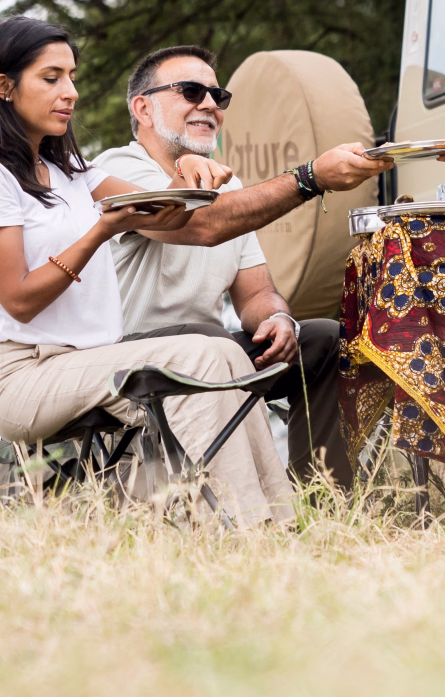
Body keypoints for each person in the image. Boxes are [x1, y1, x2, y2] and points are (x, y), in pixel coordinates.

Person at [0, 17, 389, 522]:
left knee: (285, 343)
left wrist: (192, 180)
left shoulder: (77, 175)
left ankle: (300, 514)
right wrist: (309, 178)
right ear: (4, 87)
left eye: (72, 77)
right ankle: (242, 529)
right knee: (207, 352)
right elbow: (20, 300)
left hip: (95, 357)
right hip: (26, 371)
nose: (70, 92)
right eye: (52, 79)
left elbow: (173, 213)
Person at [93, 44, 353, 488]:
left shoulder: (228, 186)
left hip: (215, 353)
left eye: (219, 96)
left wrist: (277, 318)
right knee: (211, 340)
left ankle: (322, 494)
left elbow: (255, 292)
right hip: (132, 360)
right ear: (143, 108)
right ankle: (259, 505)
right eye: (192, 91)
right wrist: (310, 178)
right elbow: (201, 226)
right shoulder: (114, 168)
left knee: (324, 339)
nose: (210, 104)